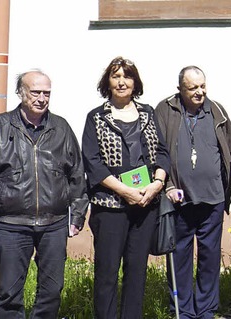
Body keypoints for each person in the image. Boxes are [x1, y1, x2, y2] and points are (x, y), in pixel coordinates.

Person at [0, 70, 88, 318]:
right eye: (35, 92)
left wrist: (77, 216)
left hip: (54, 225)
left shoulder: (61, 128)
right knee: (9, 295)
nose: (41, 98)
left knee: (51, 291)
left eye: (46, 93)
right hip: (11, 226)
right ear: (21, 92)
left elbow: (77, 175)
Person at [82, 56, 170, 318]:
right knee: (107, 275)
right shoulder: (96, 118)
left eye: (127, 76)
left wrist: (157, 184)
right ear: (107, 82)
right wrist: (124, 191)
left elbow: (163, 153)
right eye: (115, 76)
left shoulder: (149, 113)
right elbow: (93, 162)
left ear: (135, 82)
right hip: (111, 208)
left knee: (136, 273)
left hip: (145, 205)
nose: (121, 81)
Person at [154, 65, 231, 319]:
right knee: (180, 257)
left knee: (210, 258)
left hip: (212, 199)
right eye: (193, 88)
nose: (200, 92)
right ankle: (183, 311)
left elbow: (230, 150)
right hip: (180, 201)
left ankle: (207, 310)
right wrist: (167, 186)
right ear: (180, 88)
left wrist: (227, 186)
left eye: (203, 86)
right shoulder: (165, 110)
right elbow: (156, 151)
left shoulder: (217, 110)